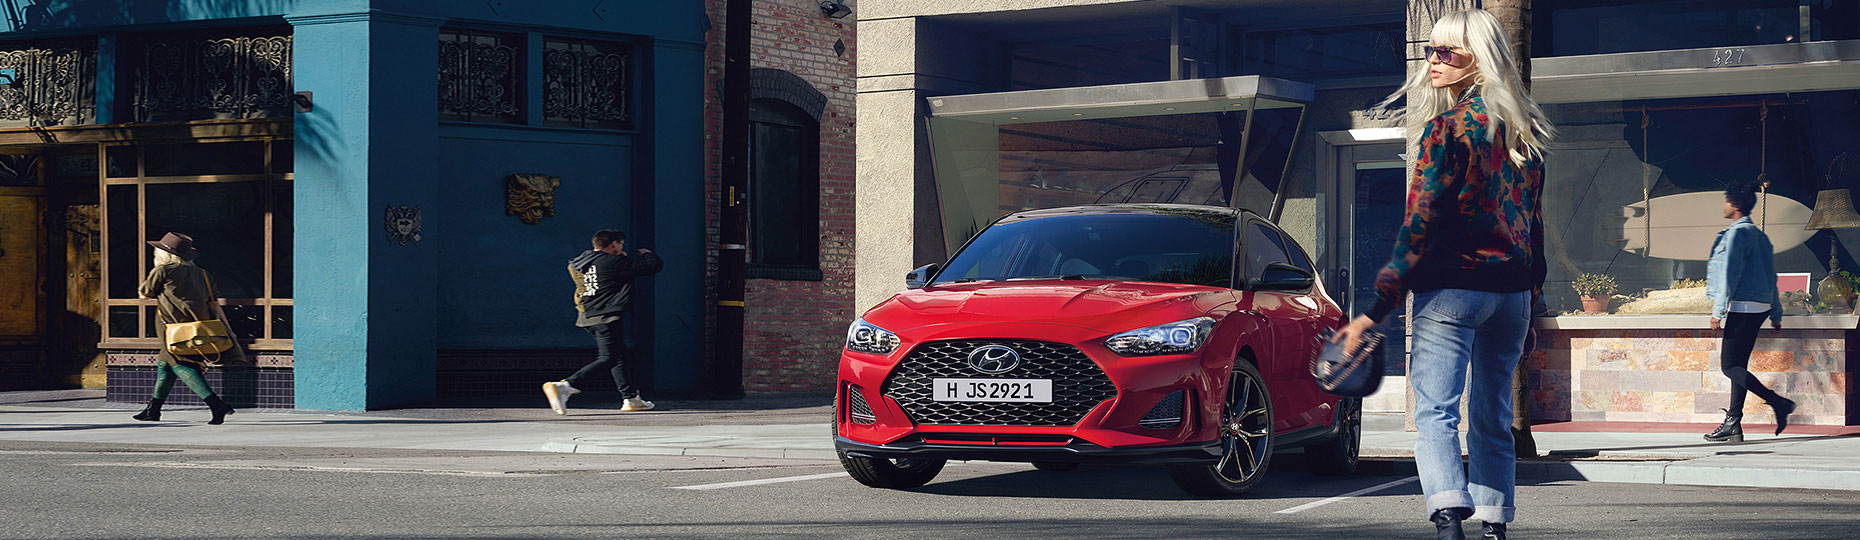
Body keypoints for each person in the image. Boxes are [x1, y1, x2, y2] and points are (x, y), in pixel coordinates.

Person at [1333, 9, 1554, 540]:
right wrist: (1532, 307)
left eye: (1446, 52)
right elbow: (1535, 230)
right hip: (1512, 295)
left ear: (1478, 60)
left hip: (1453, 291)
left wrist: (1374, 311)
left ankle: (1449, 520)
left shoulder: (1446, 130)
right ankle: (1495, 524)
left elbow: (1420, 224)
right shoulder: (1523, 135)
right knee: (1492, 415)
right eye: (1430, 51)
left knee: (1435, 412)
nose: (1432, 61)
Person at [1703, 183, 1794, 442]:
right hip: (1759, 309)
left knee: (1729, 366)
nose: (1724, 206)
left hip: (1742, 308)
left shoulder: (1737, 235)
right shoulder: (1760, 236)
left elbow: (1730, 275)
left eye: (1726, 201)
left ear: (1736, 205)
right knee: (1738, 366)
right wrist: (1776, 313)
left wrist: (1718, 311)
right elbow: (1770, 276)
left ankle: (1777, 402)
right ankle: (1733, 423)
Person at [543, 229, 663, 415]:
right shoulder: (614, 262)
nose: (623, 247)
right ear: (613, 243)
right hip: (606, 315)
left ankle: (631, 398)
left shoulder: (581, 262)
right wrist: (647, 254)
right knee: (609, 358)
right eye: (621, 243)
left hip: (587, 315)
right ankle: (564, 386)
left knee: (619, 355)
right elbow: (651, 267)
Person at [131, 232, 245, 425]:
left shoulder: (163, 271)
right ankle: (153, 409)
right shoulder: (203, 274)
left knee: (180, 365)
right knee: (164, 365)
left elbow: (144, 293)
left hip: (173, 328)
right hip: (198, 326)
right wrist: (228, 328)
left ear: (164, 254)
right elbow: (214, 304)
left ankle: (216, 404)